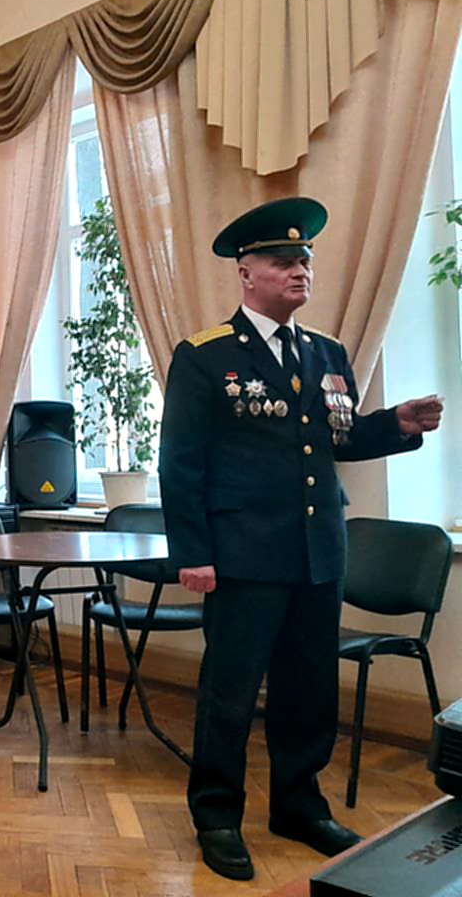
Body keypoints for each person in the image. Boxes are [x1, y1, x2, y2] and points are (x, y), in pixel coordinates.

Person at [158, 196, 444, 882]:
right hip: (243, 556)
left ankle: (298, 805)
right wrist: (194, 554)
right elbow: (180, 464)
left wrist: (396, 424)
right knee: (230, 692)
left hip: (318, 552)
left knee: (309, 690)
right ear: (246, 272)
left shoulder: (326, 352)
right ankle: (217, 816)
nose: (299, 270)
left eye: (305, 260)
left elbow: (335, 439)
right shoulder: (205, 356)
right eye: (283, 260)